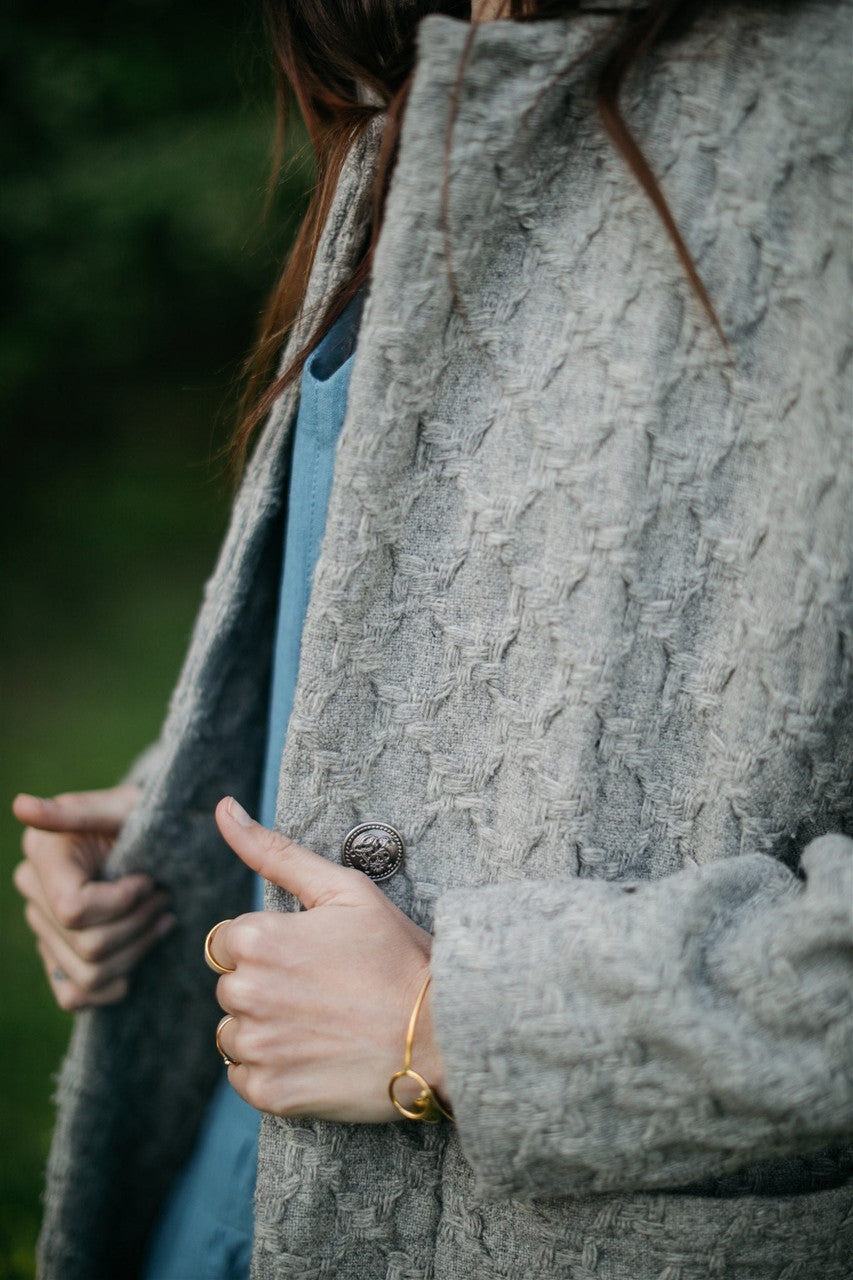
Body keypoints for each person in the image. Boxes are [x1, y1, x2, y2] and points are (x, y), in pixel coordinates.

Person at [12, 0, 853, 1277]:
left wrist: (456, 1023)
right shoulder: (414, 104)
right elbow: (425, 643)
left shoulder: (818, 115)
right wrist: (164, 825)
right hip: (231, 1197)